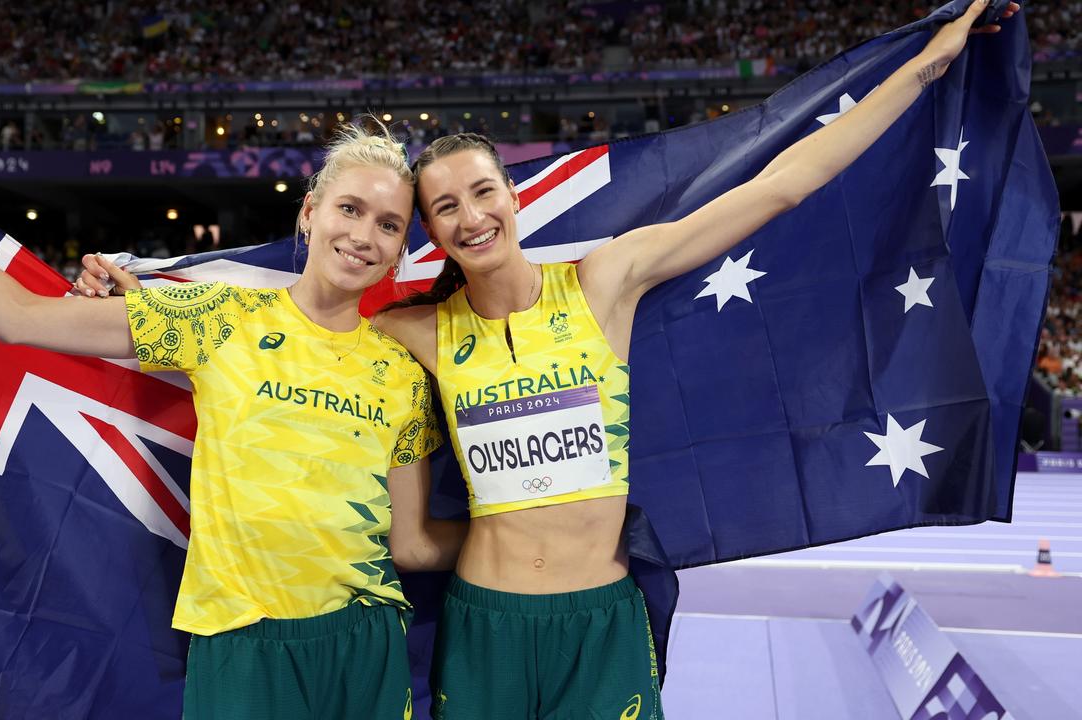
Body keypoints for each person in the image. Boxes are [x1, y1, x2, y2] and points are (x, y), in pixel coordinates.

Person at [371, 2, 1017, 718]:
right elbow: (297, 327)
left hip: (601, 625)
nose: (472, 217)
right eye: (447, 207)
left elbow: (781, 186)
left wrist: (927, 66)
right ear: (428, 231)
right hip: (484, 623)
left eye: (483, 191)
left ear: (514, 195)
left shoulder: (604, 282)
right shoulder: (418, 332)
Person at [0, 89, 465, 720]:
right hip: (239, 642)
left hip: (367, 644)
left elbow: (408, 543)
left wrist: (529, 536)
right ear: (310, 212)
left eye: (387, 224)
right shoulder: (216, 317)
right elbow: (14, 316)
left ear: (401, 248)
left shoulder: (400, 374)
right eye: (348, 209)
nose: (363, 234)